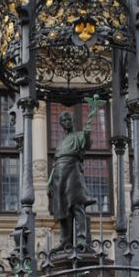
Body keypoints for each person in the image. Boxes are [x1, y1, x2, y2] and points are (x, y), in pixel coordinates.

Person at [47, 103, 99, 251]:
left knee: (76, 205)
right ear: (61, 124)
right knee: (62, 208)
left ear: (73, 121)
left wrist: (87, 135)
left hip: (72, 171)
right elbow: (56, 162)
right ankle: (66, 240)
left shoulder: (79, 135)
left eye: (69, 119)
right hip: (59, 173)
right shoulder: (61, 142)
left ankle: (81, 238)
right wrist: (50, 181)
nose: (66, 122)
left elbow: (86, 145)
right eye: (63, 121)